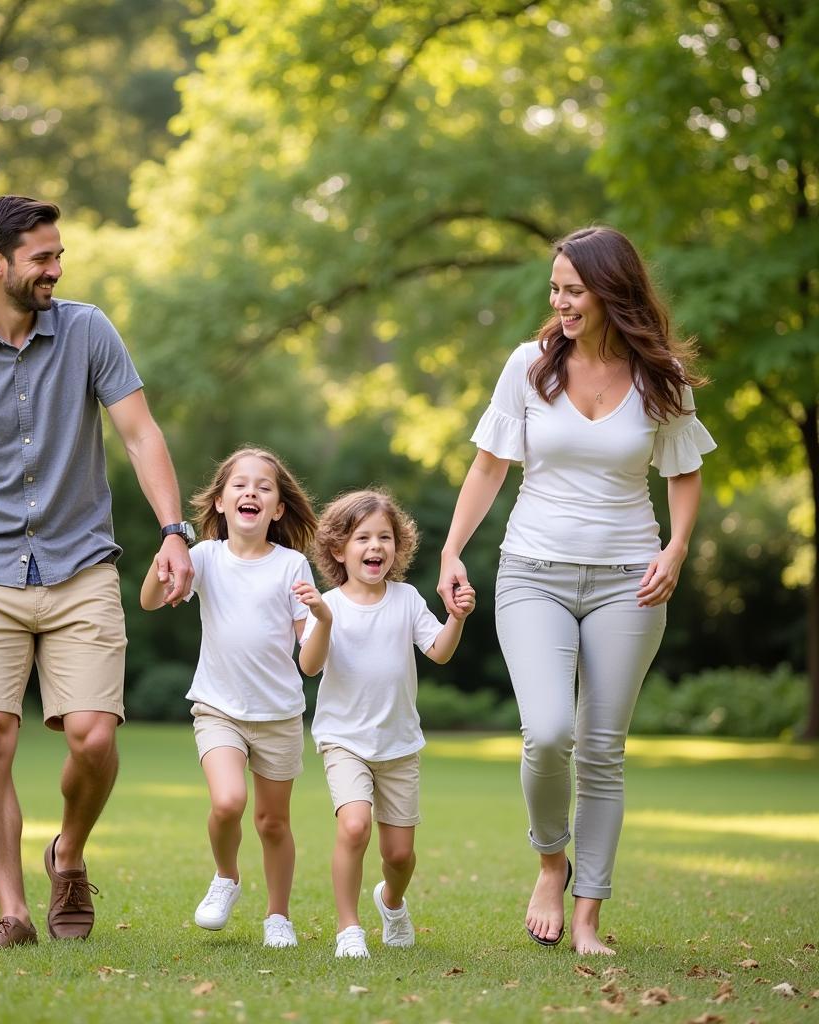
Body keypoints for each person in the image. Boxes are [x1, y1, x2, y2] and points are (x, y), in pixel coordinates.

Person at [0, 195, 194, 951]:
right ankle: (14, 912)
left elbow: (139, 430)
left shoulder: (88, 330)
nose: (56, 269)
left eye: (59, 256)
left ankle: (67, 850)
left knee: (93, 737)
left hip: (81, 564)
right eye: (42, 258)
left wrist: (173, 529)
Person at [437, 226, 716, 956]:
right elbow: (489, 466)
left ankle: (588, 915)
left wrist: (677, 548)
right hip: (534, 571)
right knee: (549, 732)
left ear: (610, 291)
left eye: (572, 289)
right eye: (554, 288)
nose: (558, 301)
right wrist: (451, 551)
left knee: (601, 749)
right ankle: (549, 861)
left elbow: (684, 472)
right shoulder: (528, 367)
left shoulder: (660, 379)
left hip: (630, 579)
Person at [140, 446, 317, 948]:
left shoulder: (293, 565)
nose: (251, 493)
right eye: (240, 485)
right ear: (220, 502)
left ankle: (277, 916)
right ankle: (226, 876)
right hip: (217, 708)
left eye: (264, 487)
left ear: (278, 509)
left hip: (279, 714)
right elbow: (150, 601)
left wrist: (322, 621)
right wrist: (162, 562)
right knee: (228, 801)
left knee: (273, 822)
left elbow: (309, 651)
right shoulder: (203, 558)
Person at [296, 489, 475, 959]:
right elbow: (309, 666)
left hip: (398, 744)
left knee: (398, 856)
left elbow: (438, 650)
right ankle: (348, 928)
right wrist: (322, 618)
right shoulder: (329, 604)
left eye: (385, 537)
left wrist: (455, 617)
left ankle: (391, 901)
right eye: (362, 538)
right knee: (354, 827)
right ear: (338, 549)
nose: (375, 546)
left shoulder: (406, 598)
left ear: (397, 547)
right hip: (344, 741)